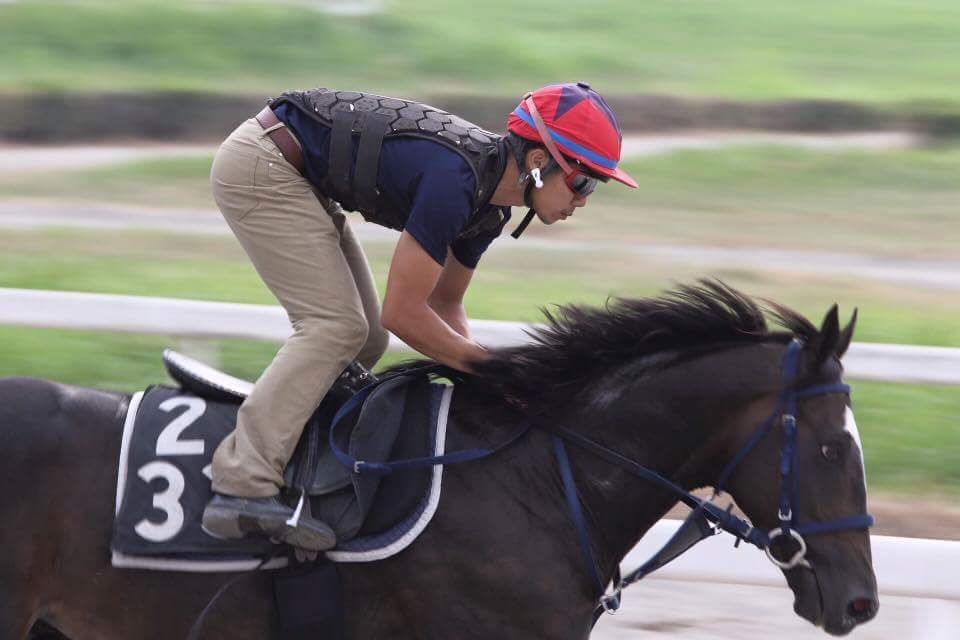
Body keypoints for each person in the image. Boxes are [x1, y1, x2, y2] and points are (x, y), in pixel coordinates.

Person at [201, 82, 637, 550]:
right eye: (582, 181)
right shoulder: (456, 183)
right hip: (263, 164)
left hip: (299, 174)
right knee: (335, 328)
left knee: (366, 341)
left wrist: (489, 385)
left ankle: (301, 462)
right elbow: (404, 314)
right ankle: (243, 484)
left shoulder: (490, 210)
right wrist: (492, 368)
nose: (584, 199)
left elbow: (444, 305)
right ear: (537, 161)